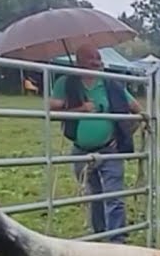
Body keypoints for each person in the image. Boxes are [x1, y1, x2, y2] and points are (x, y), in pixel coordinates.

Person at [49, 45, 143, 243]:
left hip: (109, 148)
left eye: (98, 57)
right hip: (81, 150)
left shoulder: (112, 85)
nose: (96, 61)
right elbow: (52, 111)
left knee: (114, 196)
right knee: (94, 195)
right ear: (78, 61)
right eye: (90, 57)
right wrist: (80, 109)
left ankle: (117, 240)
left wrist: (125, 133)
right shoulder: (66, 83)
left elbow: (137, 110)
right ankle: (99, 234)